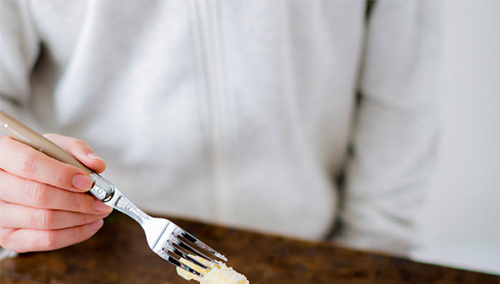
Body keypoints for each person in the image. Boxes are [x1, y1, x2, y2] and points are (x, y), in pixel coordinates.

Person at [0, 0, 442, 256]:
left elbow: (401, 94)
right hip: (86, 251)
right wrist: (15, 186)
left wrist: (369, 251)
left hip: (313, 247)